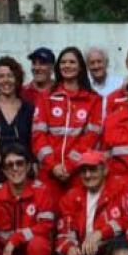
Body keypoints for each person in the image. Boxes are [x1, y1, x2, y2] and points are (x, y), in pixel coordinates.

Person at [31, 47, 103, 199]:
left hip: (79, 173)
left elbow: (91, 138)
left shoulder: (94, 99)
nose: (67, 66)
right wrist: (53, 165)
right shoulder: (46, 98)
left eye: (72, 62)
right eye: (63, 62)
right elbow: (38, 135)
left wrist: (70, 165)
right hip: (49, 173)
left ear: (80, 67)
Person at [55, 151, 128, 255]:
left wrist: (101, 234)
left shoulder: (121, 188)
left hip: (109, 247)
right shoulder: (71, 196)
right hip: (83, 252)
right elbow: (64, 231)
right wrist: (69, 248)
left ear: (105, 170)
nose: (88, 175)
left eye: (93, 170)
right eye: (83, 171)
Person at [0, 56, 35, 188]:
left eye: (10, 76)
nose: (6, 80)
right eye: (1, 76)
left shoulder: (29, 109)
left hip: (24, 176)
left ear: (17, 79)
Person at [86, 46, 123, 112]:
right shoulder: (84, 86)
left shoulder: (120, 84)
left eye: (99, 62)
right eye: (92, 63)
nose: (96, 66)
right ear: (87, 66)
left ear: (106, 63)